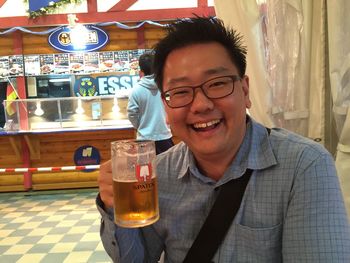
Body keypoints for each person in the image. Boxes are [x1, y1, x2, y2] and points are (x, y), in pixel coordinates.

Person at [97, 17, 350, 262]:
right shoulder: (158, 174)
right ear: (166, 106)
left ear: (245, 90)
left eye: (217, 84)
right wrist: (113, 208)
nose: (201, 105)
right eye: (181, 91)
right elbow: (136, 259)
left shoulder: (304, 166)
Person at [127, 52, 174, 154]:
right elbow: (171, 105)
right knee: (168, 167)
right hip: (164, 135)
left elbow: (131, 113)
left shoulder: (136, 90)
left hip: (144, 138)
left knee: (146, 169)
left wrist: (140, 125)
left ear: (141, 70)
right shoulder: (164, 86)